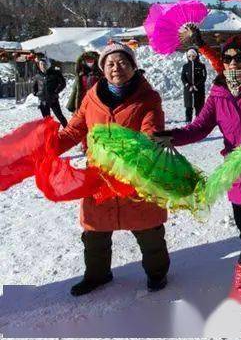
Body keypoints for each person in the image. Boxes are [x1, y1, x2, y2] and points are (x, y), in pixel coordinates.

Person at [157, 34, 241, 307]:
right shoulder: (218, 91)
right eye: (227, 58)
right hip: (236, 175)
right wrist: (171, 136)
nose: (232, 63)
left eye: (239, 57)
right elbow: (200, 127)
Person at [57, 43, 169, 296]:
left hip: (135, 174)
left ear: (133, 66)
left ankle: (157, 273)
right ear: (102, 69)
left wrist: (144, 149)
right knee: (95, 232)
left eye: (122, 63)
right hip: (100, 176)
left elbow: (151, 129)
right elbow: (75, 130)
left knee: (148, 230)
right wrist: (50, 148)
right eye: (110, 64)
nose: (116, 68)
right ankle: (97, 275)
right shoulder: (91, 97)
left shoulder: (147, 97)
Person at [33, 57, 68, 127]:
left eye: (44, 64)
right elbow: (34, 86)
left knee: (60, 116)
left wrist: (56, 91)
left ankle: (69, 131)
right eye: (41, 64)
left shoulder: (55, 74)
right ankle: (49, 135)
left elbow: (63, 83)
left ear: (48, 65)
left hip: (53, 99)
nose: (43, 66)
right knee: (47, 120)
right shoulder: (38, 76)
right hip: (43, 101)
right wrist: (36, 93)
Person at [181, 49, 207, 122]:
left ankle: (199, 122)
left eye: (193, 56)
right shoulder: (185, 66)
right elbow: (183, 77)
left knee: (199, 106)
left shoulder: (201, 66)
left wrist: (197, 85)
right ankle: (188, 122)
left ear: (196, 56)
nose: (191, 57)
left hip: (199, 90)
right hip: (188, 90)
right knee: (188, 107)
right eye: (189, 56)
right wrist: (187, 85)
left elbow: (204, 77)